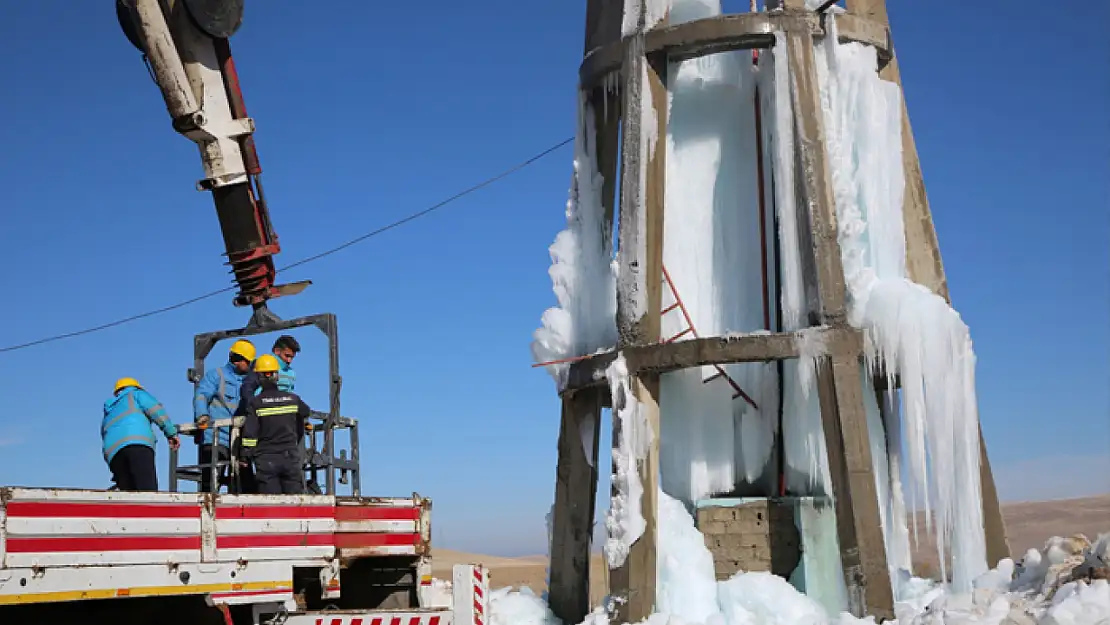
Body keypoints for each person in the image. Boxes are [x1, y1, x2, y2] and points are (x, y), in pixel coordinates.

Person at [241, 354, 311, 495]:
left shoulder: (256, 403)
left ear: (259, 377)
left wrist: (245, 456)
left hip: (266, 459)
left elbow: (250, 433)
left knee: (271, 504)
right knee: (294, 501)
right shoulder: (293, 399)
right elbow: (305, 411)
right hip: (290, 456)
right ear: (276, 376)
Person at [193, 339, 255, 493]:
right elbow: (201, 395)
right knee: (211, 482)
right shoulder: (216, 375)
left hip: (238, 441)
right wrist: (202, 415)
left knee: (245, 485)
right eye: (248, 362)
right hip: (215, 438)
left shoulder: (249, 382)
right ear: (237, 360)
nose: (250, 366)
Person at [102, 377, 180, 491]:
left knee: (128, 496)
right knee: (147, 491)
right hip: (137, 444)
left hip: (114, 454)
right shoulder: (136, 394)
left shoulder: (110, 409)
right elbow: (156, 410)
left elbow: (104, 434)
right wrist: (171, 433)